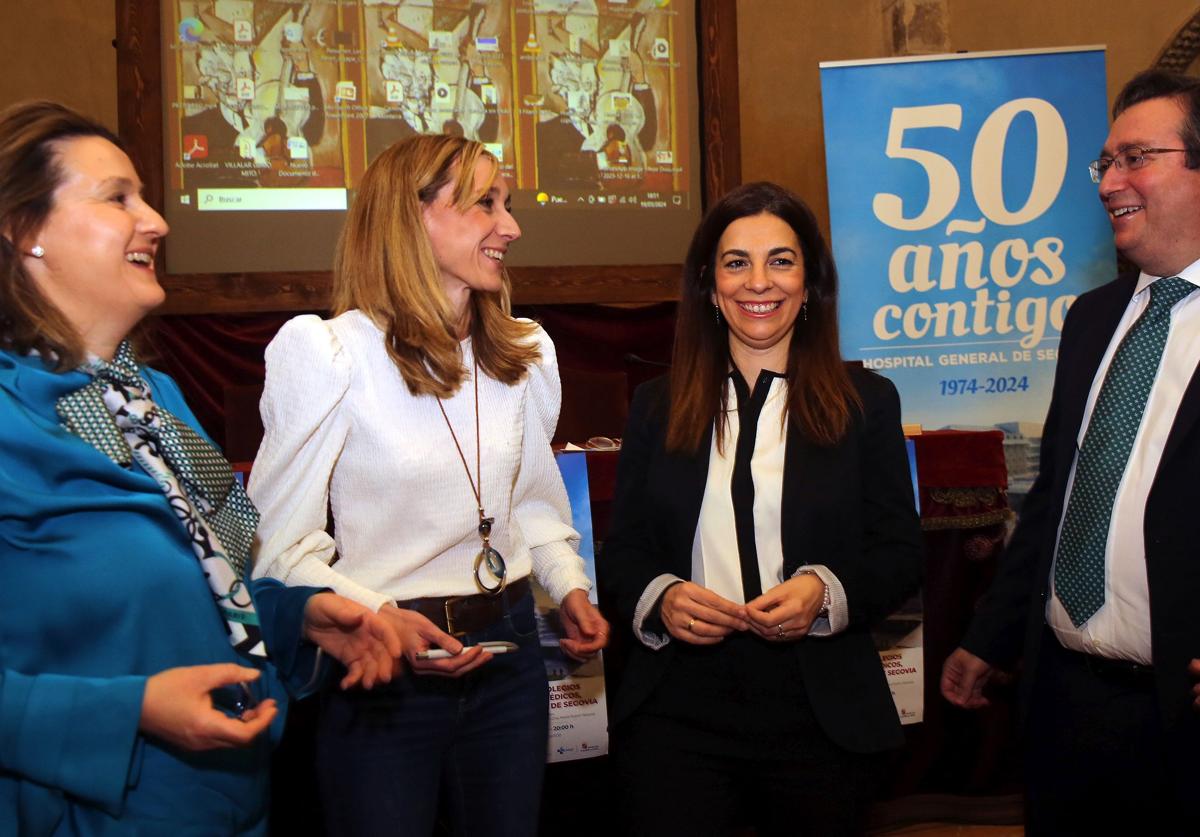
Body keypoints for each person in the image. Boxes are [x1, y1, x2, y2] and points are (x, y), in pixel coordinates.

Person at [0, 100, 402, 835]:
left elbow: (208, 583)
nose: (156, 220)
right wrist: (128, 712)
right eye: (117, 197)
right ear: (23, 232)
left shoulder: (154, 398)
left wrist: (296, 616)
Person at [248, 133, 609, 836]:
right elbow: (278, 548)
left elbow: (531, 503)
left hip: (510, 659)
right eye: (485, 205)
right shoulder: (327, 355)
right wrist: (378, 613)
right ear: (412, 219)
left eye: (506, 203)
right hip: (384, 667)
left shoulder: (525, 352)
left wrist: (568, 585)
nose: (511, 226)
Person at [602, 181, 923, 837]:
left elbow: (899, 551)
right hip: (677, 714)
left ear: (811, 283)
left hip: (819, 710)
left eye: (781, 259)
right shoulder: (657, 405)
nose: (759, 281)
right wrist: (660, 596)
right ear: (708, 283)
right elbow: (623, 552)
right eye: (736, 261)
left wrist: (823, 589)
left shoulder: (868, 402)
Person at [940, 69, 1200, 835]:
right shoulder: (1091, 319)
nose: (1108, 181)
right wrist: (989, 636)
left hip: (1179, 723)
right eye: (1104, 163)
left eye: (1135, 158)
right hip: (1062, 702)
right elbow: (1058, 497)